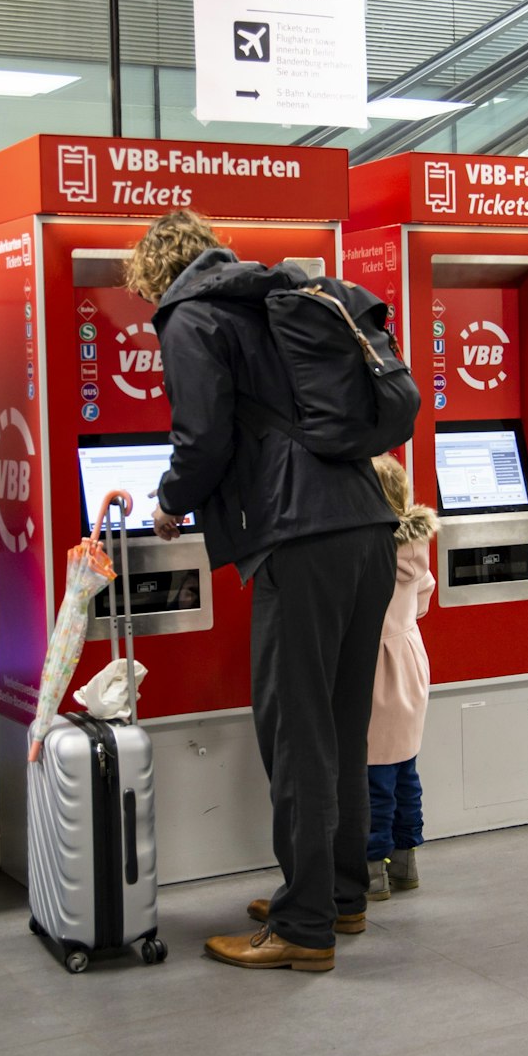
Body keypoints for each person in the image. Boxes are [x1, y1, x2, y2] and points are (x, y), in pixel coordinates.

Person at [126, 209, 398, 974]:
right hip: (366, 523)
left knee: (297, 734)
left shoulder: (191, 316)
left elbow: (202, 438)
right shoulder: (271, 298)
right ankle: (339, 893)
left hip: (299, 536)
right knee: (341, 726)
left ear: (154, 272)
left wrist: (170, 501)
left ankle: (303, 925)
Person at [365, 455, 437, 901]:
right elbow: (424, 596)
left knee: (373, 773)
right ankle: (406, 860)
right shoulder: (415, 547)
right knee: (405, 766)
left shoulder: (368, 552)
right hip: (410, 658)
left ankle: (372, 870)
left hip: (376, 666)